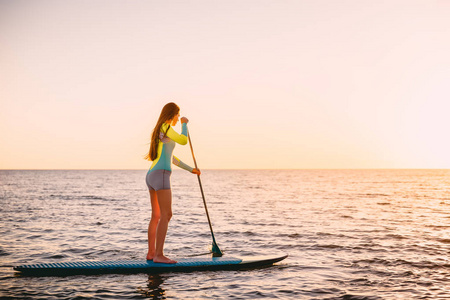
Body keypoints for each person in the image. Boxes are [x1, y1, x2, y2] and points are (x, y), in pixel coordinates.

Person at [144, 102, 200, 264]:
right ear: (172, 114)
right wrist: (184, 124)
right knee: (167, 214)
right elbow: (183, 140)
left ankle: (151, 253)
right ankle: (159, 255)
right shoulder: (165, 127)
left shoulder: (160, 131)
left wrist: (191, 169)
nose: (178, 117)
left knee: (156, 216)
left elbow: (171, 158)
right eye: (177, 114)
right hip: (160, 175)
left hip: (151, 175)